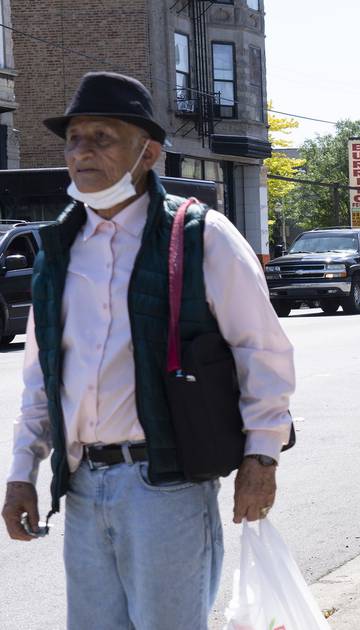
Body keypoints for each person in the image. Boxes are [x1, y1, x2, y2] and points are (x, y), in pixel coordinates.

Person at [0, 72, 295, 629]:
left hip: (166, 488)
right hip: (84, 487)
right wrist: (22, 473)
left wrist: (262, 458)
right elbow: (41, 378)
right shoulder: (59, 250)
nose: (82, 152)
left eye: (102, 138)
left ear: (149, 152)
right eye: (74, 139)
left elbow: (263, 352)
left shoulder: (201, 235)